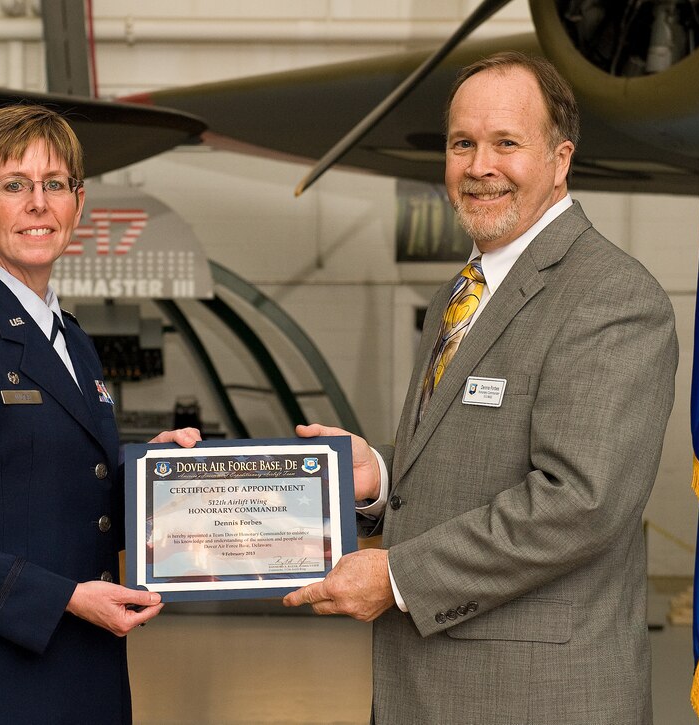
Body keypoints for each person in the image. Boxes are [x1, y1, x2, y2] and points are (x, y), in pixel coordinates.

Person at [284, 52, 678, 724]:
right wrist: (376, 475)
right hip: (434, 688)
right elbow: (468, 460)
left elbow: (578, 503)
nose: (479, 165)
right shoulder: (460, 295)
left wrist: (397, 576)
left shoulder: (611, 296)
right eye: (462, 143)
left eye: (506, 143)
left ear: (560, 160)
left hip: (537, 699)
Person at [0, 104, 200, 724]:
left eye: (54, 185)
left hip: (72, 675)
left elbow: (58, 485)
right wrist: (63, 598)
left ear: (79, 203)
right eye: (14, 185)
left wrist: (160, 478)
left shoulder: (68, 336)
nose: (37, 203)